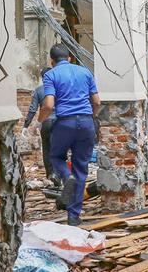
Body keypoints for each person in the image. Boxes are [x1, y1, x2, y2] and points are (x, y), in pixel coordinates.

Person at [38, 44, 101, 226]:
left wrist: (41, 120)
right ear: (70, 58)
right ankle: (74, 217)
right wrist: (92, 116)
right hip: (87, 123)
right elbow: (96, 101)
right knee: (81, 169)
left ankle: (67, 177)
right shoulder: (85, 72)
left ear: (52, 61)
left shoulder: (51, 75)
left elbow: (49, 105)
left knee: (56, 157)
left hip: (65, 123)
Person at [22, 67, 57, 181]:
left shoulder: (39, 90)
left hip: (46, 122)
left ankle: (51, 174)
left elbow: (32, 109)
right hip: (61, 122)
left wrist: (26, 126)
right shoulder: (61, 88)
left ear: (42, 78)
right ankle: (60, 175)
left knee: (46, 148)